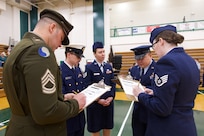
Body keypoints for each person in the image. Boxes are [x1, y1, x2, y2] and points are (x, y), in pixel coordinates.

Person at [3, 9, 86, 136]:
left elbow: (27, 96)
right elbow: (46, 112)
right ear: (52, 28)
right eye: (61, 38)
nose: (60, 45)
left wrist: (62, 98)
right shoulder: (39, 52)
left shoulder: (21, 47)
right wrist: (75, 104)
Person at [132, 25, 200, 136]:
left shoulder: (166, 63)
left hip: (167, 128)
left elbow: (161, 107)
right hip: (186, 125)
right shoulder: (190, 61)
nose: (154, 50)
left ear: (161, 41)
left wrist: (140, 95)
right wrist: (156, 92)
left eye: (154, 45)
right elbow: (179, 92)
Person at [84, 42, 116, 136]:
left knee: (107, 125)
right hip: (95, 104)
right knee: (95, 127)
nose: (103, 54)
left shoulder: (108, 66)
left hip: (108, 103)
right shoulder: (89, 68)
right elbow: (87, 86)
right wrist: (98, 100)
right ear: (94, 54)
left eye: (103, 51)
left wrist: (111, 97)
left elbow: (113, 83)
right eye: (100, 52)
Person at [129, 45, 156, 136]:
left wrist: (145, 89)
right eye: (137, 59)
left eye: (142, 58)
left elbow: (161, 89)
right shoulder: (134, 70)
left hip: (151, 111)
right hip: (137, 110)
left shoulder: (158, 69)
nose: (139, 61)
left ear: (150, 55)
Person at [60, 44, 86, 136]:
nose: (80, 59)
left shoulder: (77, 69)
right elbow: (60, 96)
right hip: (69, 117)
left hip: (80, 116)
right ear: (69, 54)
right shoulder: (60, 71)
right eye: (77, 56)